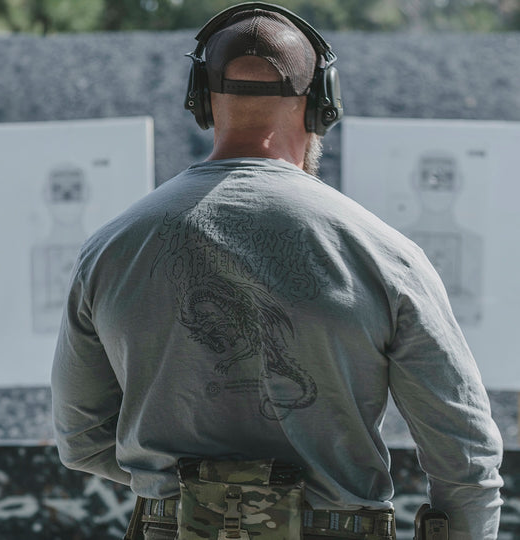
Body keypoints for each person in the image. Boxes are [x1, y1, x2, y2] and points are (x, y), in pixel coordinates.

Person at [51, 3, 503, 539]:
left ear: (200, 101)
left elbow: (82, 439)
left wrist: (179, 492)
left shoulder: (110, 250)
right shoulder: (386, 255)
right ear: (322, 104)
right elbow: (465, 458)